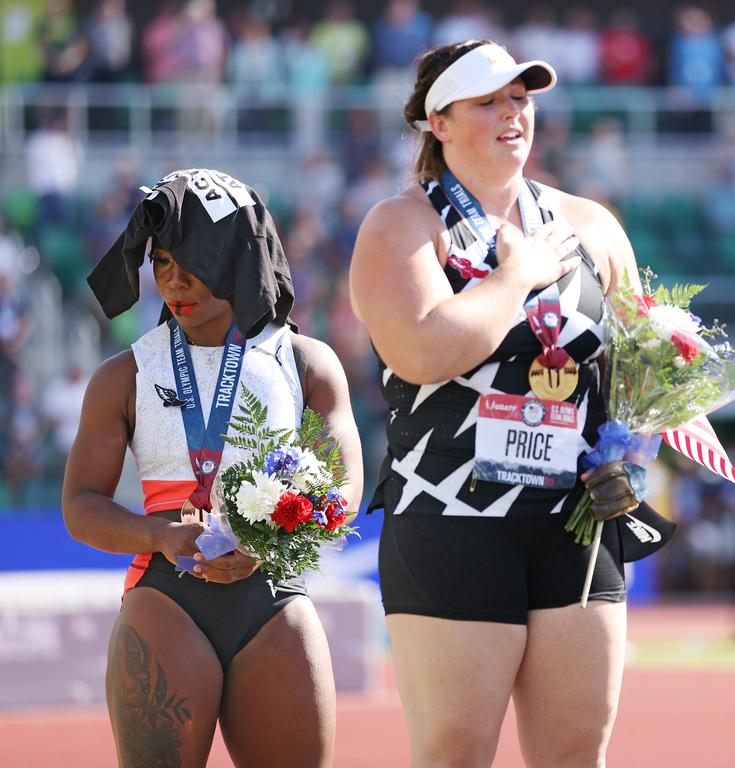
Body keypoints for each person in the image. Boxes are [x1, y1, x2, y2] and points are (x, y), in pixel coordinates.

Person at [349, 40, 659, 766]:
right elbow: (423, 351)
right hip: (452, 515)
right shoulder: (401, 225)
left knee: (577, 751)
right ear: (440, 122)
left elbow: (644, 368)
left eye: (521, 98)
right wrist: (513, 277)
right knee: (456, 753)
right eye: (488, 100)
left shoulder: (589, 225)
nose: (512, 113)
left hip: (574, 517)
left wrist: (633, 447)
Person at [63, 169, 363, 768]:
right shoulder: (123, 375)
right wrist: (157, 534)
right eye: (164, 260)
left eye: (193, 260)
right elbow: (80, 506)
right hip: (165, 601)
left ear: (238, 257)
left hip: (274, 598)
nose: (174, 280)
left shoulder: (307, 363)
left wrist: (270, 544)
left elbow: (345, 487)